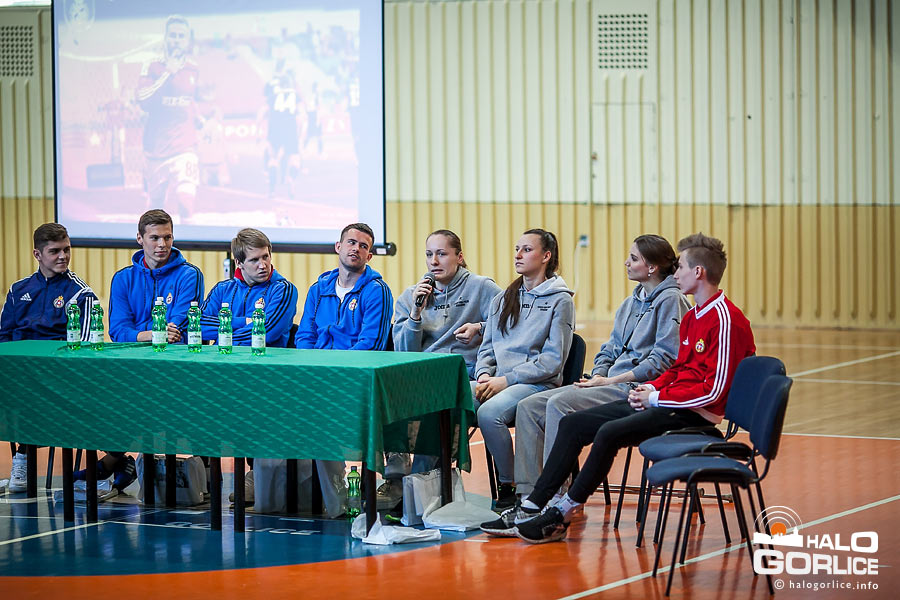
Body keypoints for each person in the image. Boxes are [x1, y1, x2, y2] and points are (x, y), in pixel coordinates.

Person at [509, 233, 756, 544]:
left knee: (608, 433)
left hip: (694, 414)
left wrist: (656, 397)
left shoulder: (726, 319)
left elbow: (715, 392)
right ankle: (532, 505)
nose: (675, 273)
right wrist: (650, 389)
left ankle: (562, 512)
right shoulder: (694, 315)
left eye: (680, 267)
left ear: (698, 272)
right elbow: (678, 369)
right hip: (667, 401)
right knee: (573, 424)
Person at [494, 235, 689, 529]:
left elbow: (664, 359)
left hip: (634, 388)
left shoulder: (671, 300)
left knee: (558, 404)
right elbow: (610, 348)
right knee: (529, 406)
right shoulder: (631, 301)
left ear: (652, 267)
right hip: (608, 382)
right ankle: (529, 497)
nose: (626, 262)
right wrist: (598, 374)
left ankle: (555, 497)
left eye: (634, 258)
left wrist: (611, 380)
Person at [380, 230, 501, 510]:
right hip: (422, 376)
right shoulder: (411, 296)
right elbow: (405, 353)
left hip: (462, 377)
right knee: (386, 394)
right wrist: (415, 314)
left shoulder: (482, 288)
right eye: (429, 254)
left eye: (442, 254)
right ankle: (396, 480)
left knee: (438, 403)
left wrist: (480, 328)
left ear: (459, 257)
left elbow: (509, 323)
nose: (434, 261)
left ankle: (417, 486)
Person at [92, 209, 203, 496]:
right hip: (132, 366)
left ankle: (112, 462)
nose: (162, 244)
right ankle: (119, 460)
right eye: (154, 238)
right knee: (99, 392)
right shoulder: (123, 278)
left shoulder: (189, 275)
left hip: (175, 367)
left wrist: (139, 333)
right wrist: (151, 334)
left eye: (167, 237)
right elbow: (118, 331)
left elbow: (177, 328)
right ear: (140, 239)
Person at [292, 223, 393, 517]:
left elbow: (370, 345)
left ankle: (341, 497)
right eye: (351, 242)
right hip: (317, 376)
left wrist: (332, 373)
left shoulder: (376, 291)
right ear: (338, 247)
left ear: (369, 256)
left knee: (321, 411)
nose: (355, 249)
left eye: (363, 246)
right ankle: (300, 491)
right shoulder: (318, 289)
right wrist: (313, 369)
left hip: (355, 380)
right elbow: (304, 336)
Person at [474, 229, 575, 510]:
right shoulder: (503, 298)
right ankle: (437, 483)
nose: (518, 255)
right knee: (449, 399)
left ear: (546, 256)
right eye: (517, 249)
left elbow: (553, 361)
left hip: (536, 383)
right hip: (498, 380)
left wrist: (506, 380)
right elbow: (487, 347)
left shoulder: (561, 300)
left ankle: (510, 485)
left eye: (527, 250)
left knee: (490, 413)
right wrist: (484, 374)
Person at [1, 223, 98, 493]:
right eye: (55, 251)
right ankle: (23, 456)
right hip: (19, 373)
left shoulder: (81, 294)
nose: (63, 256)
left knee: (35, 391)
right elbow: (4, 338)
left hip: (58, 376)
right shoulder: (17, 290)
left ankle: (23, 456)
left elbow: (82, 348)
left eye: (66, 249)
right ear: (37, 254)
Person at [136, 15, 200, 221]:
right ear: (165, 38)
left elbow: (192, 100)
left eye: (181, 36)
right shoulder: (153, 66)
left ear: (188, 41)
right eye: (173, 35)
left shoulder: (193, 68)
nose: (177, 40)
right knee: (155, 212)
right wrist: (167, 73)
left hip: (184, 147)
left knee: (186, 201)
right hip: (156, 149)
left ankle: (189, 233)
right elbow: (142, 99)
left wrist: (201, 120)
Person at [198, 228, 298, 347]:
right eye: (254, 260)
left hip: (262, 357)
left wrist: (224, 338)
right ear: (239, 263)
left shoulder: (283, 289)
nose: (262, 265)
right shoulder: (222, 289)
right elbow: (197, 324)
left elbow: (267, 332)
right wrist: (244, 322)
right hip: (224, 356)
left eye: (265, 257)